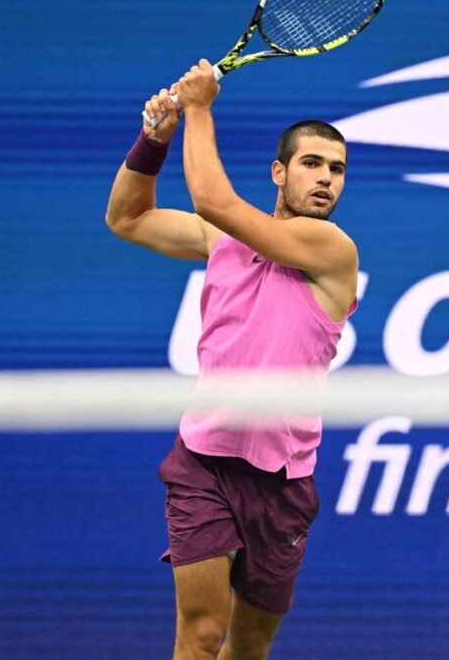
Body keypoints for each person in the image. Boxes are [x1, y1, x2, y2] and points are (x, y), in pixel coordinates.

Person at [105, 59, 358, 659]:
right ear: (279, 172)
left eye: (338, 169)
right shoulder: (222, 242)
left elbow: (214, 200)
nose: (326, 179)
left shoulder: (332, 249)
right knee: (199, 636)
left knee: (245, 651)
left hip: (283, 482)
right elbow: (128, 218)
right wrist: (154, 138)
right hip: (204, 464)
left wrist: (198, 106)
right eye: (312, 164)